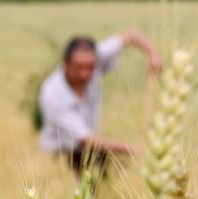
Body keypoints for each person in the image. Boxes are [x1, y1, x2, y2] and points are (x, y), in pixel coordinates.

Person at [38, 29, 163, 173]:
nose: (85, 74)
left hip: (92, 148)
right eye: (78, 67)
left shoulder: (96, 56)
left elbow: (130, 35)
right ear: (65, 63)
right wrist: (134, 149)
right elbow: (86, 139)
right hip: (62, 155)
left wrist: (153, 54)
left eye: (90, 67)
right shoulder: (53, 94)